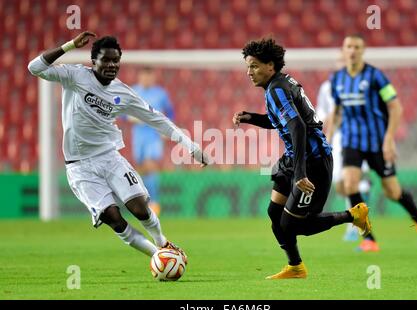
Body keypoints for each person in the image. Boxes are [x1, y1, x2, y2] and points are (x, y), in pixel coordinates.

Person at [28, 31, 208, 262]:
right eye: (106, 60)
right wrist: (70, 45)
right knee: (113, 217)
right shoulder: (74, 75)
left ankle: (162, 242)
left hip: (109, 158)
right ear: (94, 61)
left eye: (116, 60)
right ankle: (159, 256)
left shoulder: (123, 93)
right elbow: (35, 67)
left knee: (140, 208)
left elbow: (157, 119)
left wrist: (190, 145)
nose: (112, 65)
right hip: (79, 166)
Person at [233, 38, 371, 280]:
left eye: (254, 66)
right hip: (295, 157)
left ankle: (354, 215)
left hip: (313, 162)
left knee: (294, 225)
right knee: (274, 213)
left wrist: (300, 173)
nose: (249, 72)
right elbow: (282, 120)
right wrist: (251, 117)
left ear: (270, 65)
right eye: (248, 66)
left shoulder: (276, 89)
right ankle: (295, 266)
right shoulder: (279, 84)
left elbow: (298, 127)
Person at [327, 34, 417, 252]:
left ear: (363, 50)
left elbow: (395, 107)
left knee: (392, 192)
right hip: (351, 141)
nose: (353, 50)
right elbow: (336, 112)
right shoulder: (337, 79)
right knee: (349, 185)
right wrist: (327, 139)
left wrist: (389, 140)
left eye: (357, 47)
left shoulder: (376, 76)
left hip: (377, 142)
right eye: (349, 46)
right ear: (344, 50)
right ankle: (369, 239)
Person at [316, 77, 372, 242]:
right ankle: (363, 191)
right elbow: (323, 112)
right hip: (338, 136)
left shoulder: (364, 86)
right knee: (340, 184)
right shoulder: (327, 87)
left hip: (357, 137)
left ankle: (353, 226)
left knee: (351, 182)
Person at [129, 67, 175, 216]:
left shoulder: (160, 93)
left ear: (153, 78)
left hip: (153, 134)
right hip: (138, 134)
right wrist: (128, 117)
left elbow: (171, 111)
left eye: (149, 77)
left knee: (150, 165)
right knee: (141, 168)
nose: (146, 79)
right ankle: (143, 201)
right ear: (140, 77)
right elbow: (120, 110)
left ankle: (154, 202)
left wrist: (168, 128)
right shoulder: (133, 91)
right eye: (144, 77)